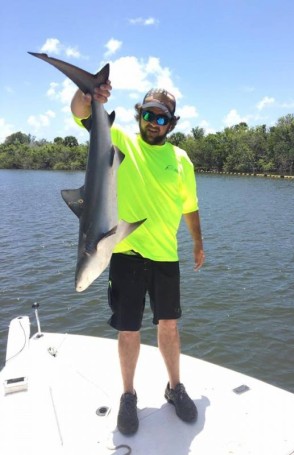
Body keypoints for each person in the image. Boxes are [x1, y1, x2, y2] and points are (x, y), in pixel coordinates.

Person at [71, 83, 205, 435]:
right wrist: (88, 97)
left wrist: (198, 244)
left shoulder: (181, 160)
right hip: (126, 254)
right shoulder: (120, 140)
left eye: (161, 117)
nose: (153, 121)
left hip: (165, 257)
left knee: (170, 327)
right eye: (148, 114)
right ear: (138, 114)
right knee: (128, 330)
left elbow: (190, 207)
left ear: (171, 124)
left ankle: (175, 388)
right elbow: (82, 114)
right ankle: (128, 395)